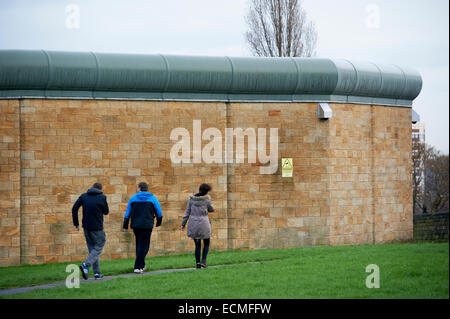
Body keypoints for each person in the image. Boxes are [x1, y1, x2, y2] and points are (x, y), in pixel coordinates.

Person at [123, 182, 163, 274]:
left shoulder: (133, 198)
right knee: (145, 246)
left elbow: (127, 213)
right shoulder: (152, 198)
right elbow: (159, 212)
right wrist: (158, 222)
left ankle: (142, 265)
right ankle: (137, 266)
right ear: (146, 188)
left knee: (139, 245)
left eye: (137, 188)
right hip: (147, 225)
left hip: (136, 225)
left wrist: (125, 225)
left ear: (139, 188)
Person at [72, 182, 109, 280]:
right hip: (97, 227)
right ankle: (85, 265)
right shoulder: (102, 197)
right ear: (100, 189)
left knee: (93, 250)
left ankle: (97, 273)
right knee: (99, 246)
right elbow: (106, 211)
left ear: (92, 188)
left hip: (86, 227)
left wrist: (76, 224)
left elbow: (74, 208)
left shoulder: (84, 196)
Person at [180, 183, 215, 269]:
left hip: (194, 223)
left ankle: (197, 263)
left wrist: (183, 224)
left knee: (197, 245)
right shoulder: (207, 199)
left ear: (199, 189)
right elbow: (211, 209)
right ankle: (203, 261)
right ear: (206, 191)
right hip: (204, 223)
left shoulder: (191, 200)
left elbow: (187, 212)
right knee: (206, 243)